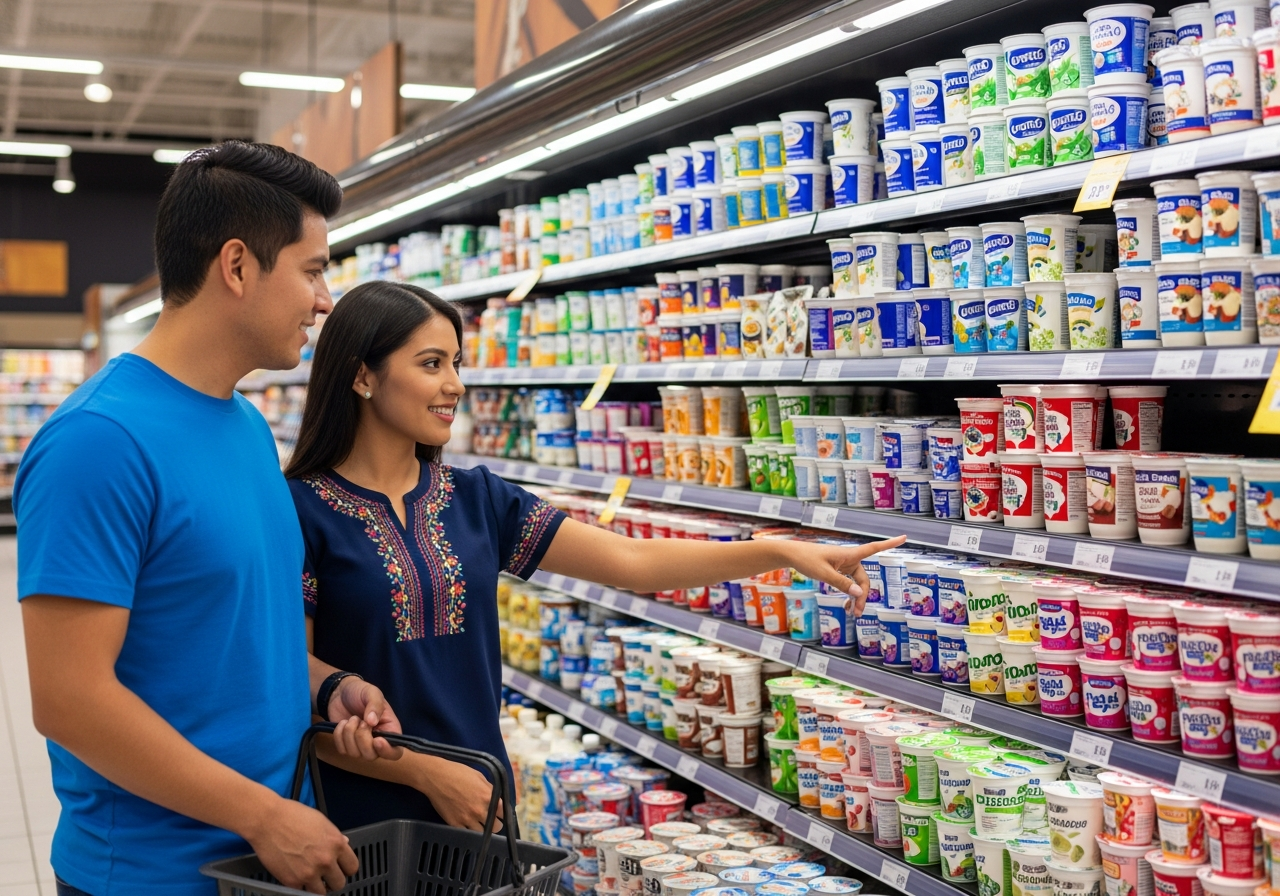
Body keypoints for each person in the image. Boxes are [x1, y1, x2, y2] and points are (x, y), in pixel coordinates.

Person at [285, 279, 906, 832]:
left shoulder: (476, 499)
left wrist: (778, 549)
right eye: (431, 363)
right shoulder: (299, 512)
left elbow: (630, 560)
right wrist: (426, 774)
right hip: (362, 822)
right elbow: (289, 692)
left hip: (482, 810)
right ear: (363, 375)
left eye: (456, 361)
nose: (455, 384)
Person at [15, 142, 404, 896]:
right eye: (314, 269)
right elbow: (67, 698)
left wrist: (325, 687)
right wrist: (261, 814)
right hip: (152, 876)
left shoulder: (247, 426)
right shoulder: (97, 442)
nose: (327, 300)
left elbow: (228, 635)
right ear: (237, 265)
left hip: (269, 858)